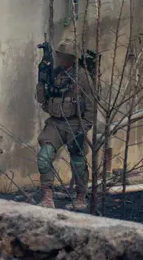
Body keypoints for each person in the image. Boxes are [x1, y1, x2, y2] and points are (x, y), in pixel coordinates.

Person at [35, 38, 95, 210]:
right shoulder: (54, 74)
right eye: (59, 56)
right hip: (55, 123)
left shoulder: (83, 77)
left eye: (65, 56)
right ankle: (47, 196)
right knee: (44, 158)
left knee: (78, 161)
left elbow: (91, 106)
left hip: (75, 124)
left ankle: (81, 196)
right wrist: (42, 79)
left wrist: (84, 127)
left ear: (73, 58)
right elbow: (41, 99)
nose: (61, 60)